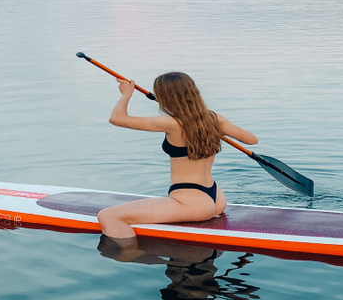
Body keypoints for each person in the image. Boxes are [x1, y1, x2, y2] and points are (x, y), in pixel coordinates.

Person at [97, 72, 258, 241]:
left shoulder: (170, 123)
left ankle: (131, 256)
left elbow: (117, 118)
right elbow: (251, 140)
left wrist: (126, 94)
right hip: (217, 198)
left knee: (109, 216)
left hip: (191, 203)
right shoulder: (215, 119)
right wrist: (217, 128)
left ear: (165, 98)